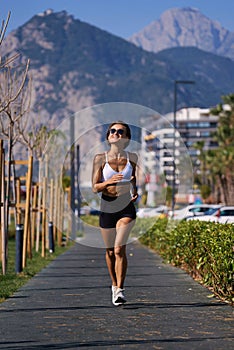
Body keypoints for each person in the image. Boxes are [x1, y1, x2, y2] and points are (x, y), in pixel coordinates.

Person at [92, 121, 138, 306]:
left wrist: (135, 190)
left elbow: (133, 179)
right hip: (107, 206)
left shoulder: (133, 157)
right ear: (108, 136)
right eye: (113, 131)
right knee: (110, 251)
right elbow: (95, 187)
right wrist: (109, 182)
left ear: (126, 137)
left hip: (126, 207)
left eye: (120, 132)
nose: (116, 134)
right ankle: (113, 285)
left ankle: (120, 289)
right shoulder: (99, 158)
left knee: (119, 249)